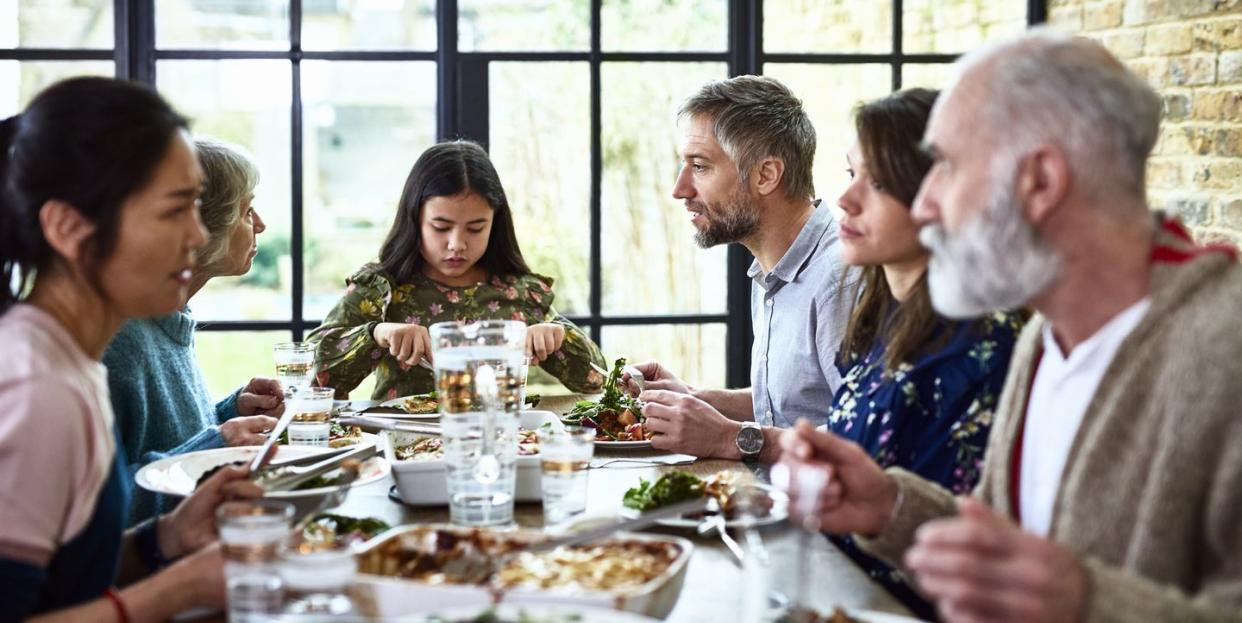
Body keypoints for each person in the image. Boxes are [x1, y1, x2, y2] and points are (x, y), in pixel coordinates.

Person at [778, 29, 1242, 623]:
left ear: (1041, 182)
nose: (925, 205)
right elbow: (1008, 548)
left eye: (945, 166)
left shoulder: (1224, 350)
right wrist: (889, 506)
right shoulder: (1044, 339)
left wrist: (1086, 602)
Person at [0, 77, 265, 621]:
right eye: (175, 210)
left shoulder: (69, 362)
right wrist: (179, 589)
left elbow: (61, 581)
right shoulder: (36, 390)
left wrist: (164, 538)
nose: (198, 235)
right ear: (70, 228)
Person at [824, 88, 1023, 619]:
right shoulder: (876, 314)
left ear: (940, 194)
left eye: (880, 182)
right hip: (833, 590)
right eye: (850, 173)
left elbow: (959, 539)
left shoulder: (983, 347)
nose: (846, 199)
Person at [629, 75, 855, 461]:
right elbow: (794, 404)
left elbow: (861, 434)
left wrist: (728, 438)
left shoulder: (840, 280)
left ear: (766, 175)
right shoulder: (771, 268)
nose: (680, 189)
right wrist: (693, 399)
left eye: (700, 167)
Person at [309, 140, 606, 400]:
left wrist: (558, 337)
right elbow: (310, 376)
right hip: (406, 452)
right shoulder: (381, 288)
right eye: (441, 227)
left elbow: (598, 380)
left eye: (476, 228)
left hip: (504, 448)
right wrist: (376, 334)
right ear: (415, 219)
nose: (457, 244)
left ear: (495, 223)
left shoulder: (520, 292)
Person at [103, 137, 284, 526]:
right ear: (201, 228)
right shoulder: (122, 341)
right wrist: (218, 444)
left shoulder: (170, 318)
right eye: (246, 211)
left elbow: (164, 442)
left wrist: (229, 414)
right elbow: (96, 513)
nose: (261, 225)